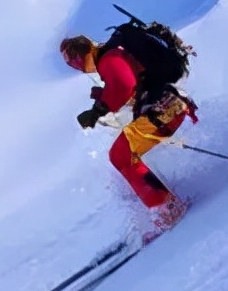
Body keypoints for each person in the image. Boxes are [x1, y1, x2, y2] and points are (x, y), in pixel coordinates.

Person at [60, 31, 198, 232]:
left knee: (121, 155)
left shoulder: (110, 58)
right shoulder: (113, 57)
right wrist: (103, 97)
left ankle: (168, 209)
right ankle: (166, 204)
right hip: (167, 105)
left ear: (86, 51)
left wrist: (97, 110)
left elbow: (125, 86)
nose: (78, 68)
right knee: (124, 155)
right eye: (71, 65)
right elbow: (130, 85)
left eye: (75, 60)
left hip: (164, 107)